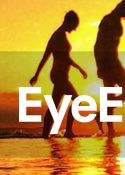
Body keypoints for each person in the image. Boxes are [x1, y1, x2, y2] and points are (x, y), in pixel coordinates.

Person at [30, 11, 88, 139]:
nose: (74, 29)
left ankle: (45, 134)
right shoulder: (59, 36)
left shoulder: (55, 35)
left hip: (58, 75)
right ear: (69, 21)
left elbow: (45, 56)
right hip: (60, 75)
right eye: (74, 26)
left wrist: (36, 75)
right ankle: (68, 131)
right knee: (77, 100)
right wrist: (79, 68)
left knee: (54, 105)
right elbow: (65, 57)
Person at [93, 0, 125, 138]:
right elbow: (98, 45)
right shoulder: (108, 20)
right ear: (123, 7)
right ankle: (109, 127)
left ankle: (109, 128)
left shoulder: (116, 21)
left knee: (114, 96)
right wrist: (100, 65)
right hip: (109, 62)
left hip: (112, 61)